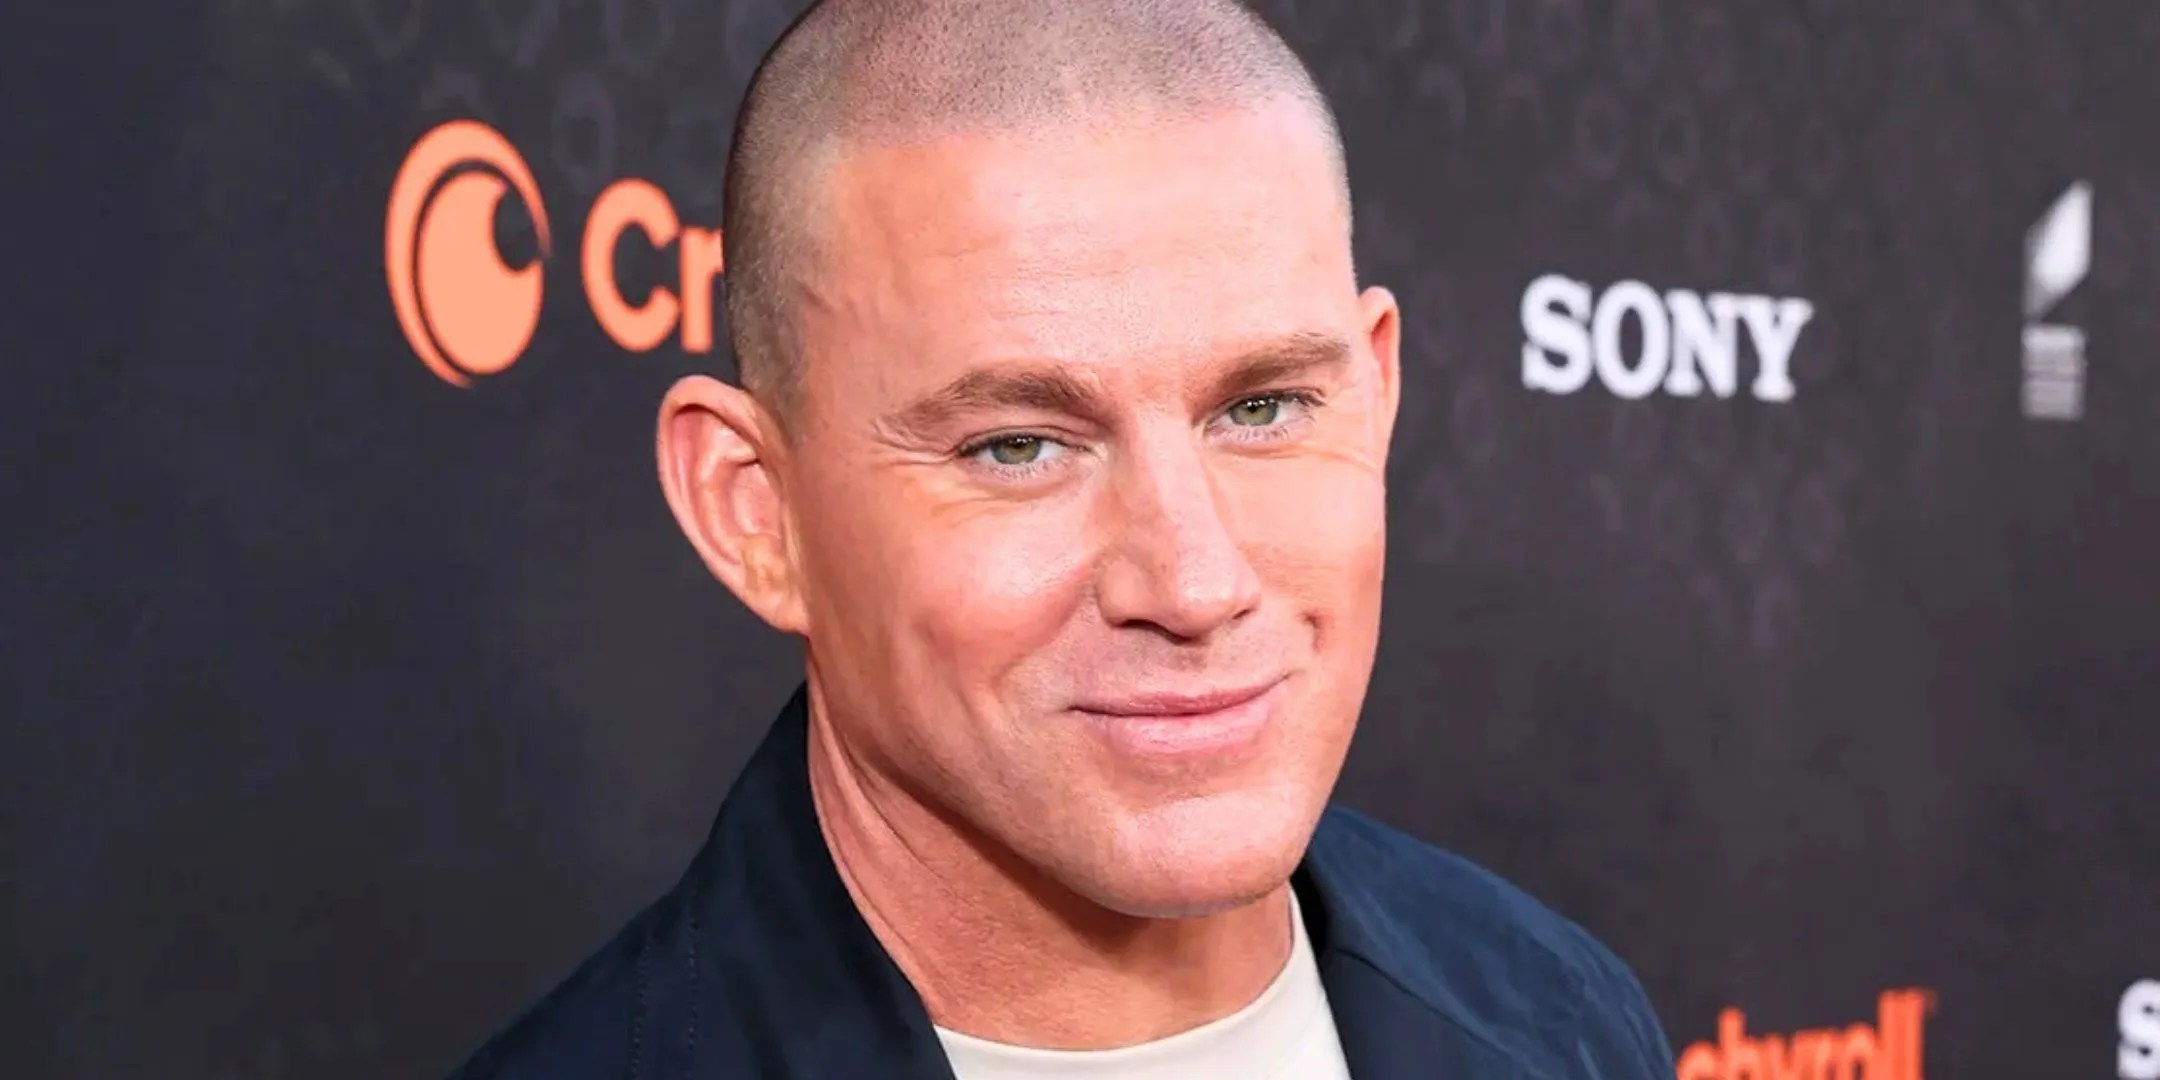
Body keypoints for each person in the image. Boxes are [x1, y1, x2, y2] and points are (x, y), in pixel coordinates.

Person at [454, 1, 1675, 1076]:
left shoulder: (1562, 1014)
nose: (1194, 582)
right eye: (1018, 446)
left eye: (1262, 410)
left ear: (1378, 393)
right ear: (755, 512)